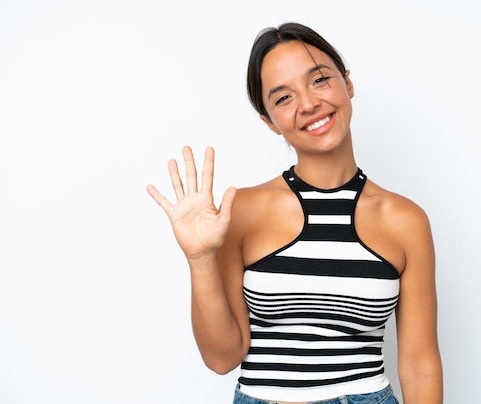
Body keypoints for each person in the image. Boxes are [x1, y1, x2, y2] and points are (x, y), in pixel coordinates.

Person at [147, 22, 442, 404]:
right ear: (269, 121)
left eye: (319, 80)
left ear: (347, 83)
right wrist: (201, 259)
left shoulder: (405, 220)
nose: (308, 104)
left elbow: (419, 364)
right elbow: (222, 358)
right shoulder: (243, 212)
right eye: (283, 98)